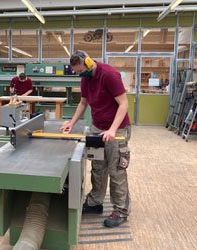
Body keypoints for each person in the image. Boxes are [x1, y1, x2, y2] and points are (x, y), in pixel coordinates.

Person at [60, 50, 131, 228]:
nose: (79, 74)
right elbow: (83, 103)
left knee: (116, 170)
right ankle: (95, 202)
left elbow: (124, 104)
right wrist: (72, 122)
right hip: (97, 127)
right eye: (76, 72)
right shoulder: (85, 78)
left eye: (80, 71)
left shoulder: (109, 75)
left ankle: (121, 210)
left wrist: (113, 130)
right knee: (98, 167)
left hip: (118, 129)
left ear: (89, 63)